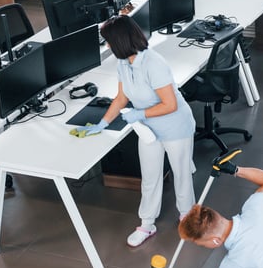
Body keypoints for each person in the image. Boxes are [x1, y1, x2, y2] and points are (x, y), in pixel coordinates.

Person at [75, 15, 196, 247]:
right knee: (150, 177)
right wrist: (102, 123)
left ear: (120, 41)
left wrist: (139, 114)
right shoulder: (123, 63)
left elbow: (169, 104)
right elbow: (121, 97)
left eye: (109, 42)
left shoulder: (154, 63)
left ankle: (187, 217)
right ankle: (147, 223)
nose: (107, 46)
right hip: (149, 130)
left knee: (181, 174)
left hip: (175, 126)